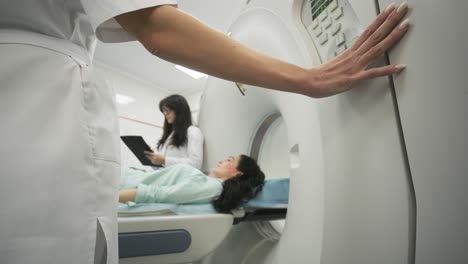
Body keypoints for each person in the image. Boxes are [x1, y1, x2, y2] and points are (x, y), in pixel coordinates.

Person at [0, 1, 410, 263]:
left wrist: (310, 79)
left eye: (232, 160)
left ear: (236, 174)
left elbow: (158, 28)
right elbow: (156, 26)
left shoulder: (203, 180)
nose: (226, 158)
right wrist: (307, 78)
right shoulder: (201, 180)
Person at [119, 155, 265, 213]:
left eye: (229, 159)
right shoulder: (208, 180)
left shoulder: (214, 187)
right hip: (127, 177)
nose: (222, 160)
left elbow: (158, 194)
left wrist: (112, 196)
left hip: (123, 184)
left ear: (238, 173)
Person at [144, 94, 204, 170]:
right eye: (164, 111)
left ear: (179, 110)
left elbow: (196, 164)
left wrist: (164, 160)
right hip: (165, 178)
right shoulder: (169, 136)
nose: (165, 113)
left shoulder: (193, 131)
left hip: (179, 180)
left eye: (168, 110)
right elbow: (160, 169)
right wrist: (152, 159)